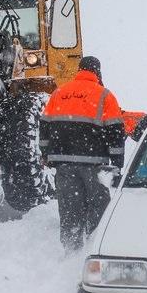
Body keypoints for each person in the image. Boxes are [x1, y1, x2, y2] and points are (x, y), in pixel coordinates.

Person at [39, 56, 125, 251]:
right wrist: (117, 163)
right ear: (98, 72)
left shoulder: (59, 93)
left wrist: (46, 153)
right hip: (94, 164)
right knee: (98, 205)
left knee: (70, 207)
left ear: (79, 70)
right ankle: (94, 249)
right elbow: (116, 131)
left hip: (63, 164)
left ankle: (71, 250)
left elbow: (44, 125)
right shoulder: (104, 95)